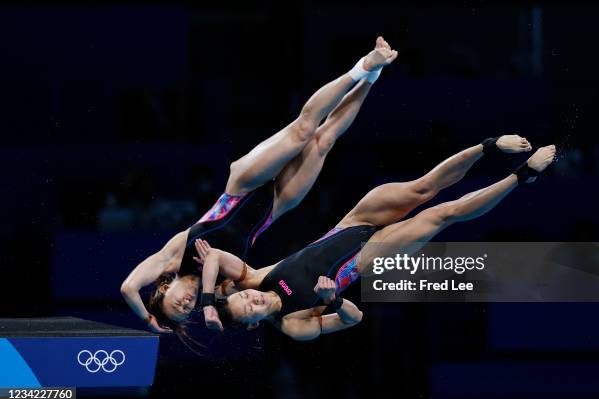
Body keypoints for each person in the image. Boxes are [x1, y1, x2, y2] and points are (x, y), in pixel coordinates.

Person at [120, 37, 399, 336]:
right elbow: (255, 303)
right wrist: (213, 304)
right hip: (275, 206)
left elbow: (128, 288)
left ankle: (362, 66)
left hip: (242, 188)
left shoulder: (172, 258)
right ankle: (374, 75)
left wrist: (149, 322)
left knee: (304, 129)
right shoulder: (224, 288)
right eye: (186, 311)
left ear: (165, 287)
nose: (186, 305)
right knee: (324, 139)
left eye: (176, 305)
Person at [194, 137, 556, 340]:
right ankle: (522, 176)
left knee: (422, 188)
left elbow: (213, 258)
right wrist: (332, 300)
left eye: (245, 297)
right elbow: (354, 319)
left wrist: (209, 301)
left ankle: (488, 147)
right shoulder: (292, 324)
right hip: (367, 257)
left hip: (352, 222)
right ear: (254, 324)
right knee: (442, 214)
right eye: (250, 310)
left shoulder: (256, 277)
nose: (253, 299)